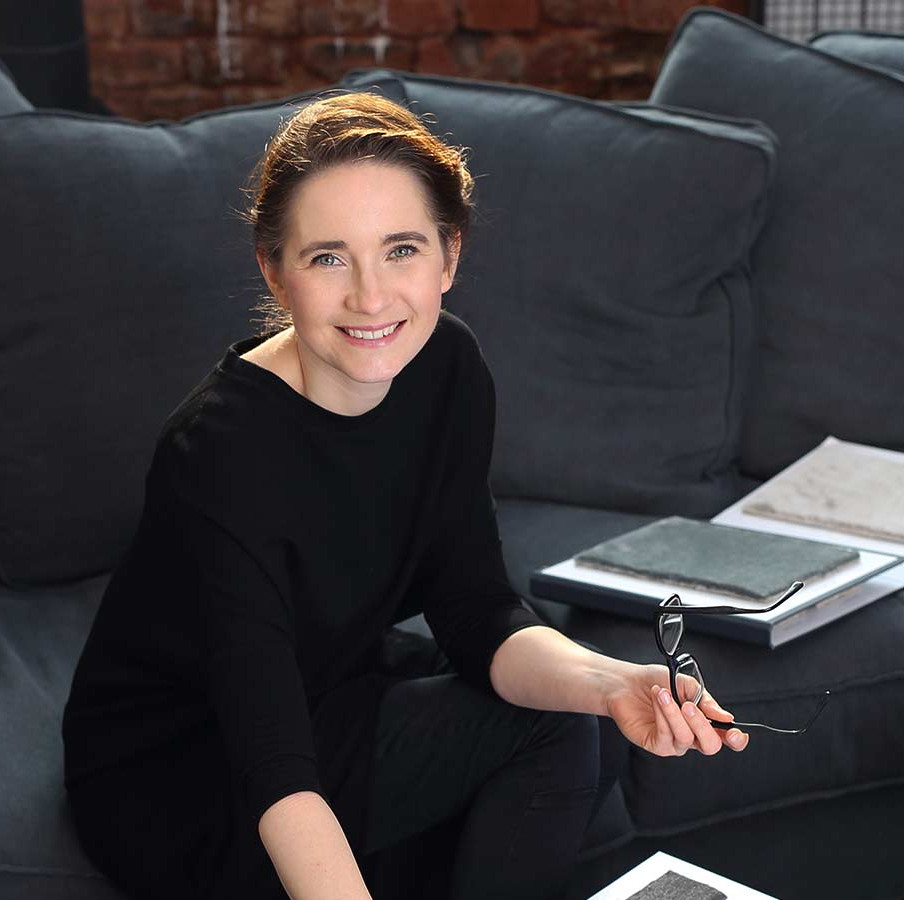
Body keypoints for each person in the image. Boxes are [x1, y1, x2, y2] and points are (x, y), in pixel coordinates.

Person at [60, 89, 749, 900]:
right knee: (548, 738)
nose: (371, 296)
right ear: (274, 271)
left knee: (585, 721)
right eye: (328, 257)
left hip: (335, 683)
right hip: (187, 770)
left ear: (448, 257)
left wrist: (616, 684)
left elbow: (476, 610)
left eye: (402, 250)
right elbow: (273, 760)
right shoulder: (219, 451)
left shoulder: (446, 368)